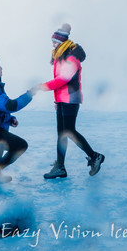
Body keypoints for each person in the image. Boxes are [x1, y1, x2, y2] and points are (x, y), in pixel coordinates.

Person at [30, 23, 104, 179]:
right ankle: (61, 167)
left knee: (69, 131)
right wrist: (57, 100)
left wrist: (42, 87)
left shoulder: (71, 57)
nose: (52, 44)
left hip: (71, 99)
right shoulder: (60, 56)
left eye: (55, 41)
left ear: (62, 42)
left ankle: (94, 156)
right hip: (62, 100)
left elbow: (63, 79)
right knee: (62, 134)